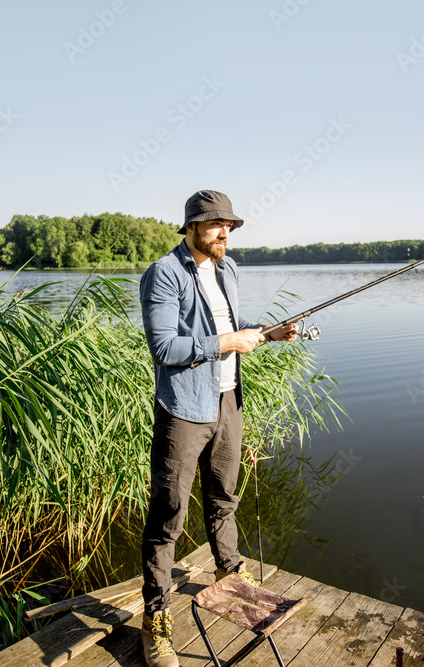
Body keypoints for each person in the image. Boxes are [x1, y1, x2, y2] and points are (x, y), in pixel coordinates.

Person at [137, 190, 298, 667]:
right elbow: (165, 347)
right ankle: (156, 617)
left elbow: (230, 321)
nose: (224, 232)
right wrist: (228, 341)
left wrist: (267, 332)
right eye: (214, 225)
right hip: (184, 409)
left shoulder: (226, 268)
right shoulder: (163, 274)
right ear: (190, 228)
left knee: (224, 495)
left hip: (228, 401)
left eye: (229, 225)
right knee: (169, 512)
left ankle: (230, 573)